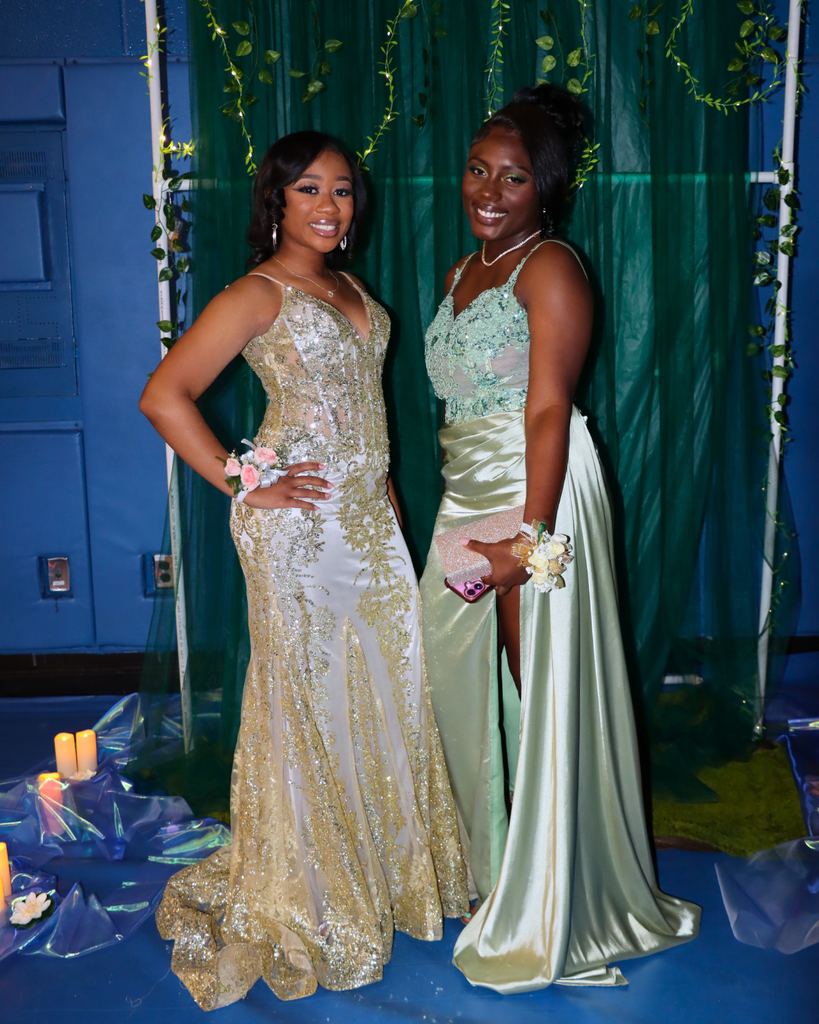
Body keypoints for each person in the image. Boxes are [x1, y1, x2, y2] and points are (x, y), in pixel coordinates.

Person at [140, 130, 468, 1009]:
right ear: (275, 202)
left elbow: (366, 409)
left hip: (368, 519)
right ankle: (315, 891)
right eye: (310, 191)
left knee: (388, 689)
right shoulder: (256, 292)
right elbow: (163, 395)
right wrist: (246, 482)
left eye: (344, 192)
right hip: (298, 531)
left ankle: (385, 873)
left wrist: (390, 498)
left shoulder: (351, 286)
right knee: (312, 700)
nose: (330, 207)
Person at [419, 85, 700, 993]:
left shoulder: (551, 268)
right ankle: (503, 871)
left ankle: (557, 902)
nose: (488, 190)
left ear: (546, 190)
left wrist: (528, 542)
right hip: (468, 496)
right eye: (476, 170)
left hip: (536, 498)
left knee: (540, 696)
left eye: (512, 177)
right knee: (472, 691)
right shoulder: (468, 271)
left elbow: (546, 411)